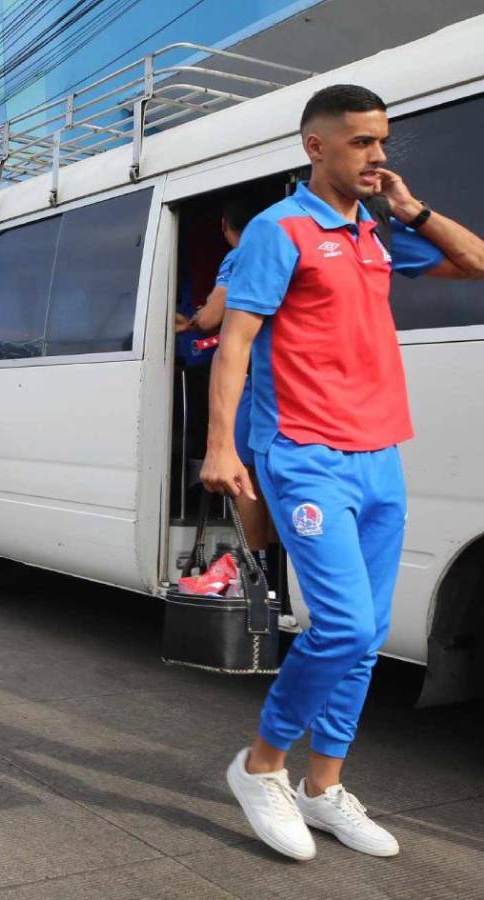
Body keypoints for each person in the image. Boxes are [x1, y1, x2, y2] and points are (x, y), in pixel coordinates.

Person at [202, 84, 484, 861]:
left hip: (381, 454)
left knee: (366, 641)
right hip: (305, 453)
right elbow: (233, 341)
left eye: (383, 141)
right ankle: (261, 765)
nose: (378, 155)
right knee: (345, 625)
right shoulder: (279, 229)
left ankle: (322, 788)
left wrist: (412, 206)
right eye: (361, 142)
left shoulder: (377, 230)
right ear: (314, 146)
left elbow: (477, 262)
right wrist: (221, 446)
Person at [188, 193, 274, 568]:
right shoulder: (282, 245)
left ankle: (257, 570)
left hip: (254, 382)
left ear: (225, 226)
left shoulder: (239, 254)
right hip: (282, 381)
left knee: (247, 479)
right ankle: (278, 569)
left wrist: (194, 319)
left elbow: (211, 318)